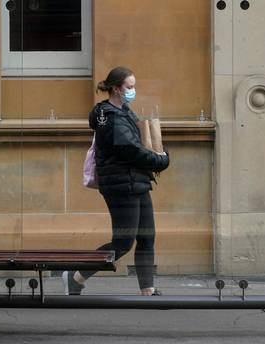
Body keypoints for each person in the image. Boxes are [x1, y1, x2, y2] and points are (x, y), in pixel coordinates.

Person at [63, 66, 169, 296]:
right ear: (115, 89)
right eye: (129, 87)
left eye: (134, 86)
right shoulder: (109, 117)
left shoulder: (126, 112)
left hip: (137, 181)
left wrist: (159, 153)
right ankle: (75, 276)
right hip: (121, 185)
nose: (133, 91)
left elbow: (141, 141)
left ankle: (147, 289)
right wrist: (159, 161)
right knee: (122, 242)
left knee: (146, 237)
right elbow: (130, 149)